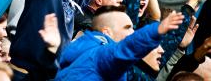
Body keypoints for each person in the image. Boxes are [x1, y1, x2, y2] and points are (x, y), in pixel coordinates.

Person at [55, 7, 184, 80]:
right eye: (127, 28)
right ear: (107, 32)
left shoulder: (83, 47)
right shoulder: (101, 54)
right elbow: (124, 49)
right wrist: (155, 31)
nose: (132, 33)